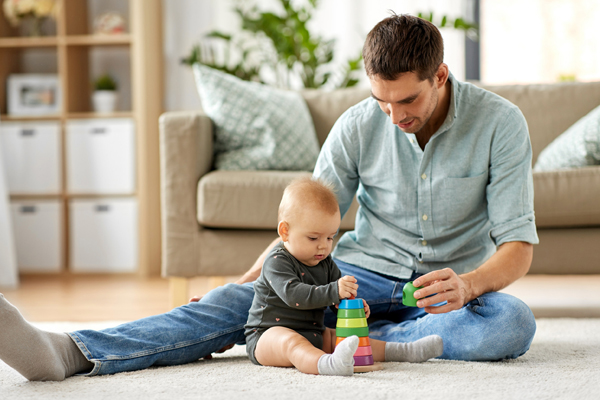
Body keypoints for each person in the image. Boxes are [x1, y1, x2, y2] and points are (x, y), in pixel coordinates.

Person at [0, 13, 537, 381]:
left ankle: (357, 332)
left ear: (440, 75)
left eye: (407, 100)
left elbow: (518, 244)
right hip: (356, 275)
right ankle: (70, 353)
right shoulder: (357, 125)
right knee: (248, 301)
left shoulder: (500, 124)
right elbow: (304, 224)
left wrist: (469, 284)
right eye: (381, 102)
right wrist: (243, 286)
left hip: (441, 292)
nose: (394, 117)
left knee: (512, 323)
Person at [245, 177, 443, 376]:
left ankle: (405, 351)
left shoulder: (325, 262)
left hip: (313, 333)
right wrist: (334, 291)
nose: (323, 246)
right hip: (267, 337)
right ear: (285, 231)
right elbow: (294, 295)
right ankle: (328, 365)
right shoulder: (277, 261)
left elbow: (335, 301)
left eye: (330, 237)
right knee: (291, 342)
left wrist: (352, 305)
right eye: (313, 238)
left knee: (346, 338)